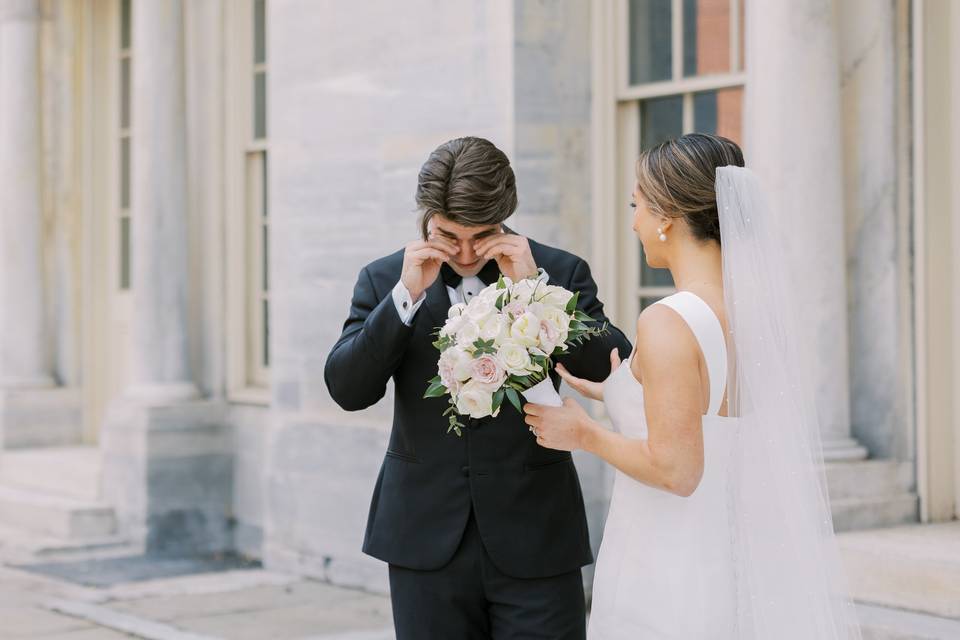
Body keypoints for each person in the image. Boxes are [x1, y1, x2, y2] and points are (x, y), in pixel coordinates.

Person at [525, 133, 862, 639]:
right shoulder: (749, 311)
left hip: (669, 559)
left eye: (637, 205)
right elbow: (709, 406)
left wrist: (584, 434)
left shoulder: (667, 321)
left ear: (666, 217)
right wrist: (619, 390)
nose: (634, 221)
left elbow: (677, 469)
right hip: (728, 551)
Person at [324, 136, 632, 640]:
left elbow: (610, 371)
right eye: (449, 235)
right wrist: (406, 297)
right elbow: (347, 389)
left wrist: (537, 292)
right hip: (424, 538)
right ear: (427, 216)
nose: (465, 253)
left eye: (481, 236)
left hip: (537, 533)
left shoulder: (558, 271)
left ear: (506, 217)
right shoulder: (385, 280)